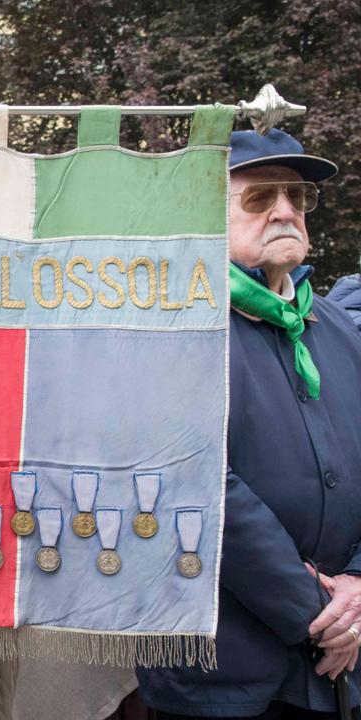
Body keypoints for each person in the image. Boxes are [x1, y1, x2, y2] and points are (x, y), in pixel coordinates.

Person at [136, 128, 361, 719]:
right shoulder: (175, 329)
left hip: (335, 671)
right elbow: (200, 487)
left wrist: (358, 585)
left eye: (296, 195)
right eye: (260, 199)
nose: (285, 210)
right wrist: (316, 611)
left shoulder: (337, 330)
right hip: (220, 677)